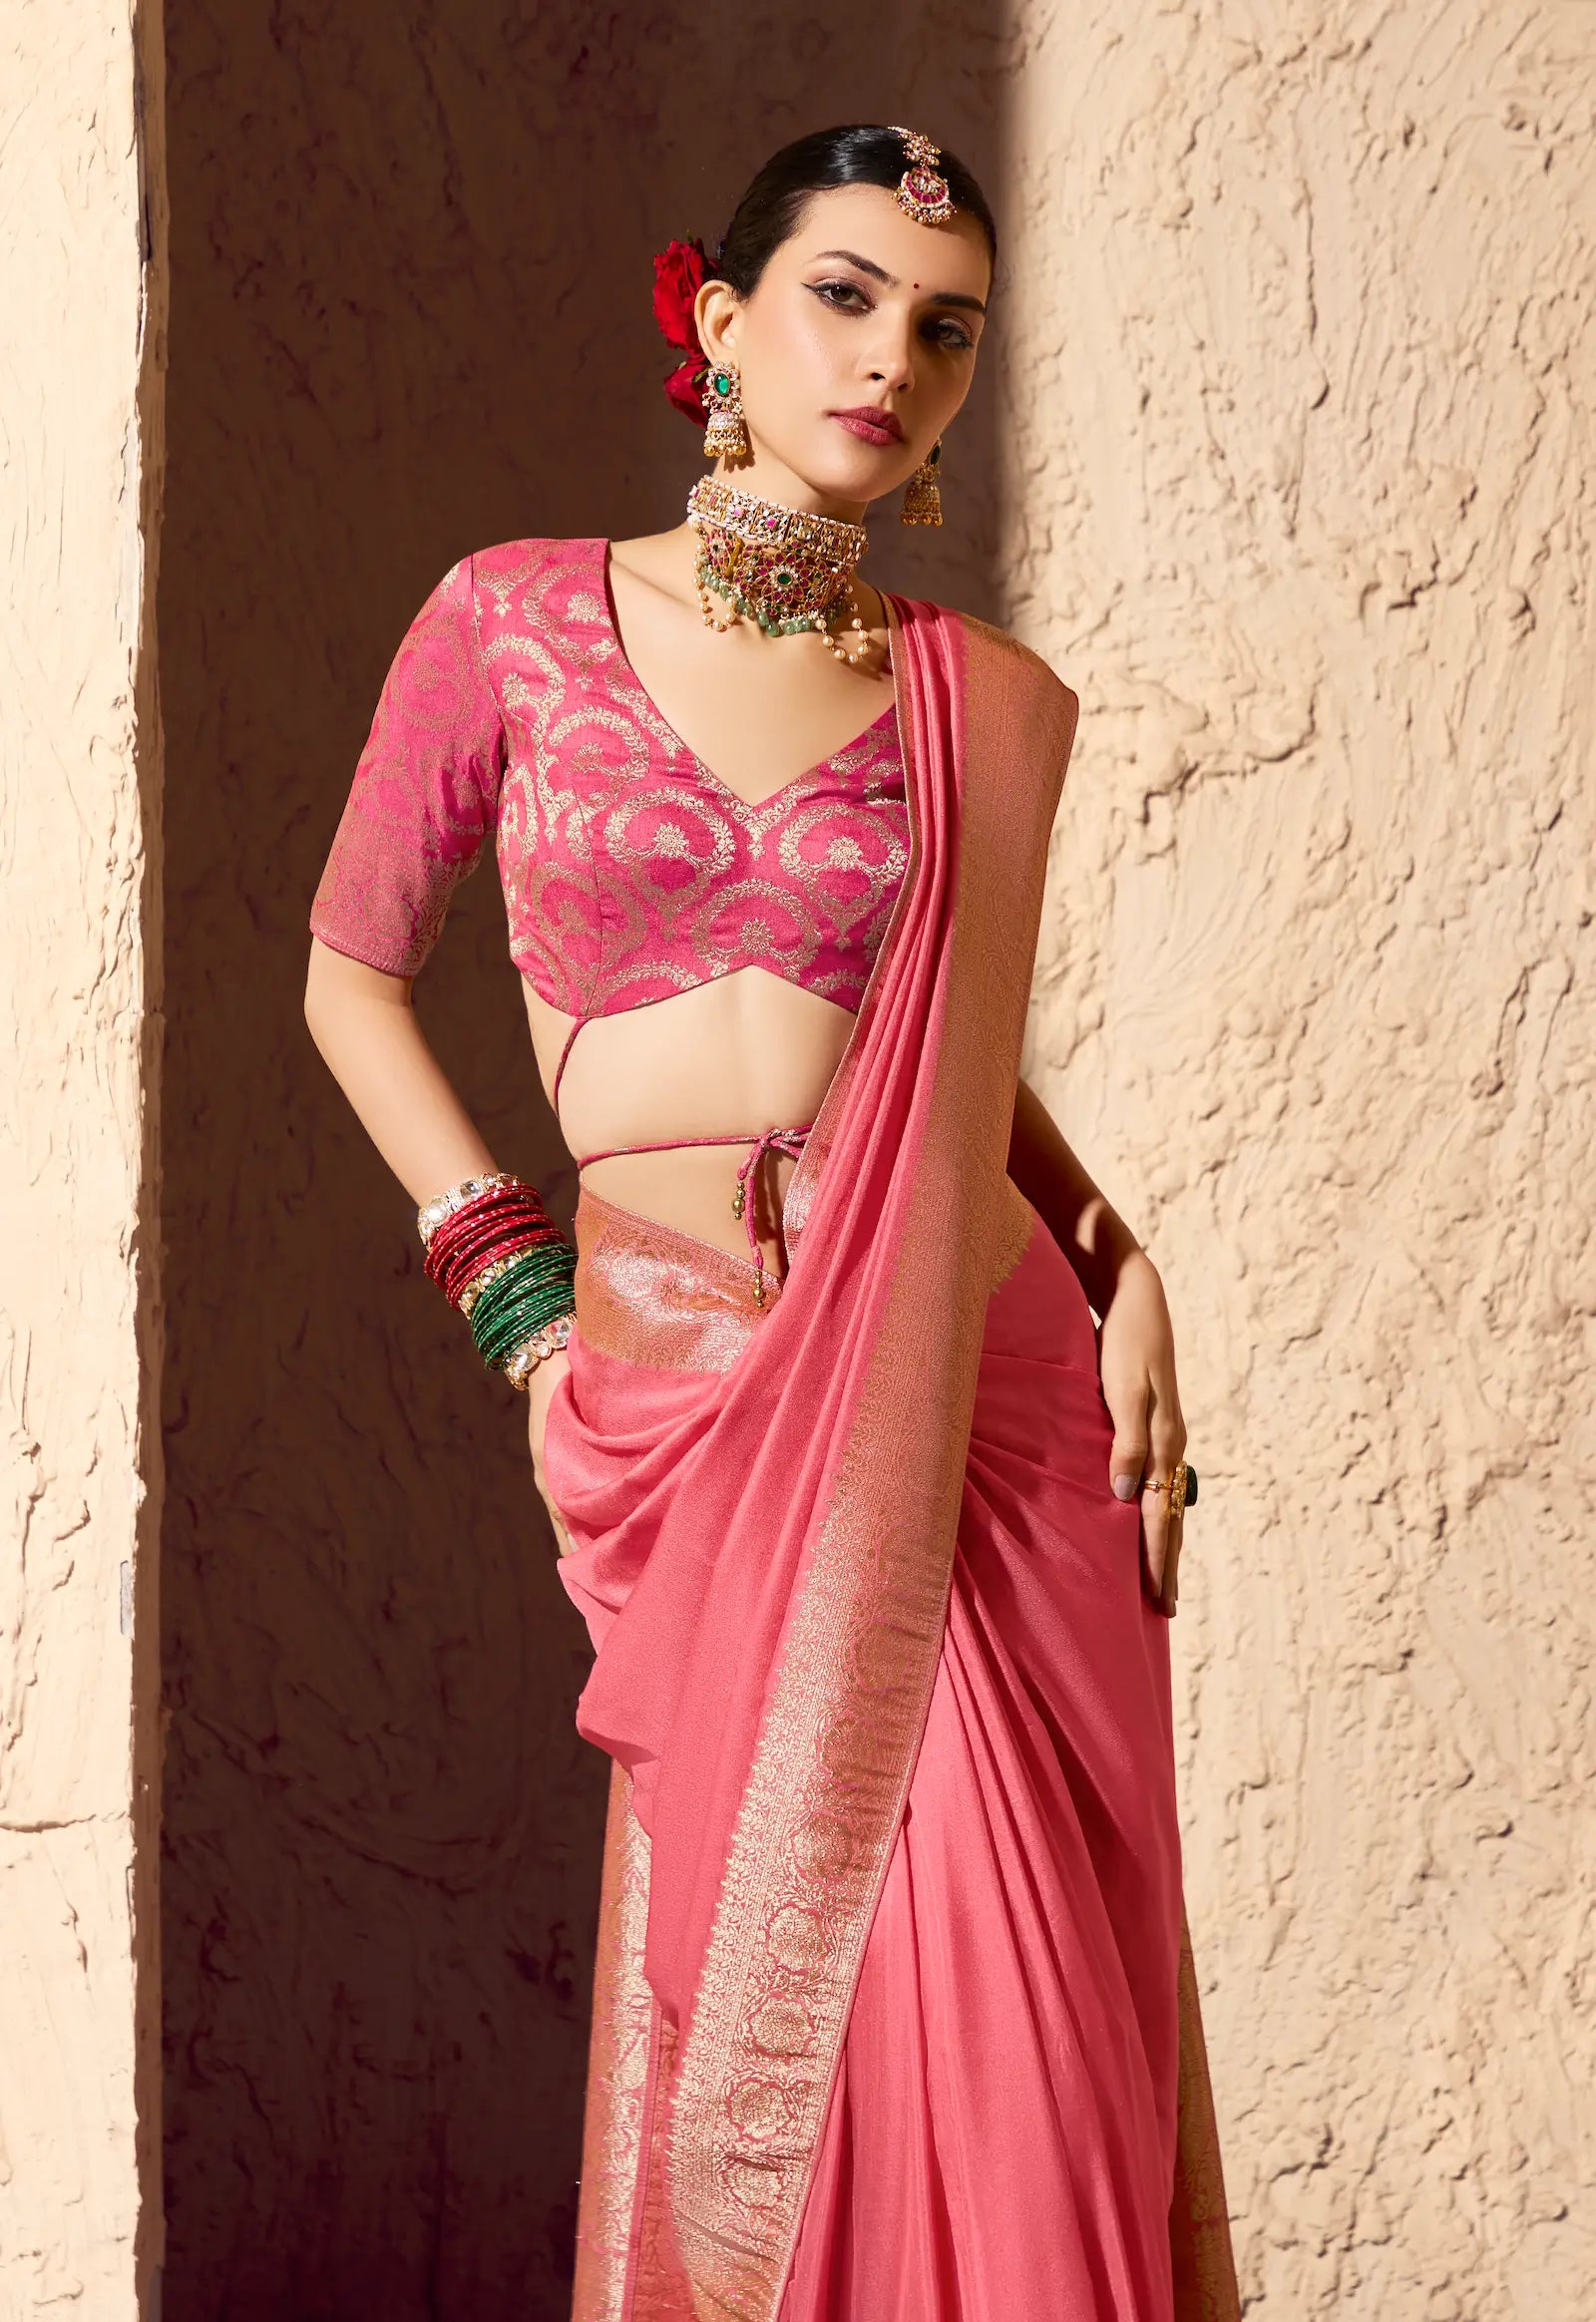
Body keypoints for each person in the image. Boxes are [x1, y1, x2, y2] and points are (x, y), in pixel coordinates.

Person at [304, 121, 1239, 2322]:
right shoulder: (514, 615)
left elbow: (936, 1068)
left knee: (999, 2007)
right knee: (766, 1996)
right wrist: (519, 1303)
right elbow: (349, 973)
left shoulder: (966, 702)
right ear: (720, 326)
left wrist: (1115, 1260)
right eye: (842, 296)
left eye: (946, 330)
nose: (892, 359)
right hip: (678, 1370)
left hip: (962, 1387)